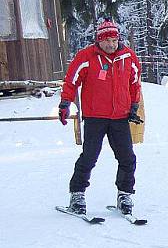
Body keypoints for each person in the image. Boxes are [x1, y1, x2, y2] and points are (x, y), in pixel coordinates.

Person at [59, 19, 143, 215]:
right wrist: (65, 103)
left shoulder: (128, 57)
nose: (111, 45)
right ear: (99, 40)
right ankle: (77, 194)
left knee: (127, 157)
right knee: (89, 157)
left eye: (114, 40)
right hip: (95, 116)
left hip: (120, 117)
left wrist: (134, 105)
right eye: (107, 41)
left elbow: (135, 82)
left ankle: (124, 194)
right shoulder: (87, 57)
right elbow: (71, 81)